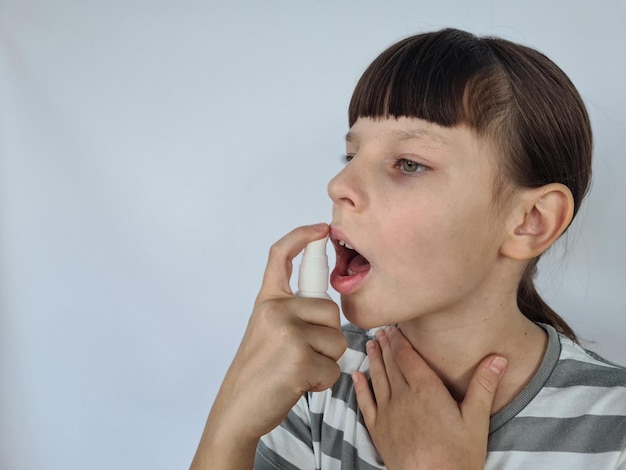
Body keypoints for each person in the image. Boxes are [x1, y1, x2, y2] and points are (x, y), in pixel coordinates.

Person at [190, 28, 626, 469]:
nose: (339, 185)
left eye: (409, 164)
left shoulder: (615, 428)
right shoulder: (318, 381)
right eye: (350, 156)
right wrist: (230, 426)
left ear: (530, 221)